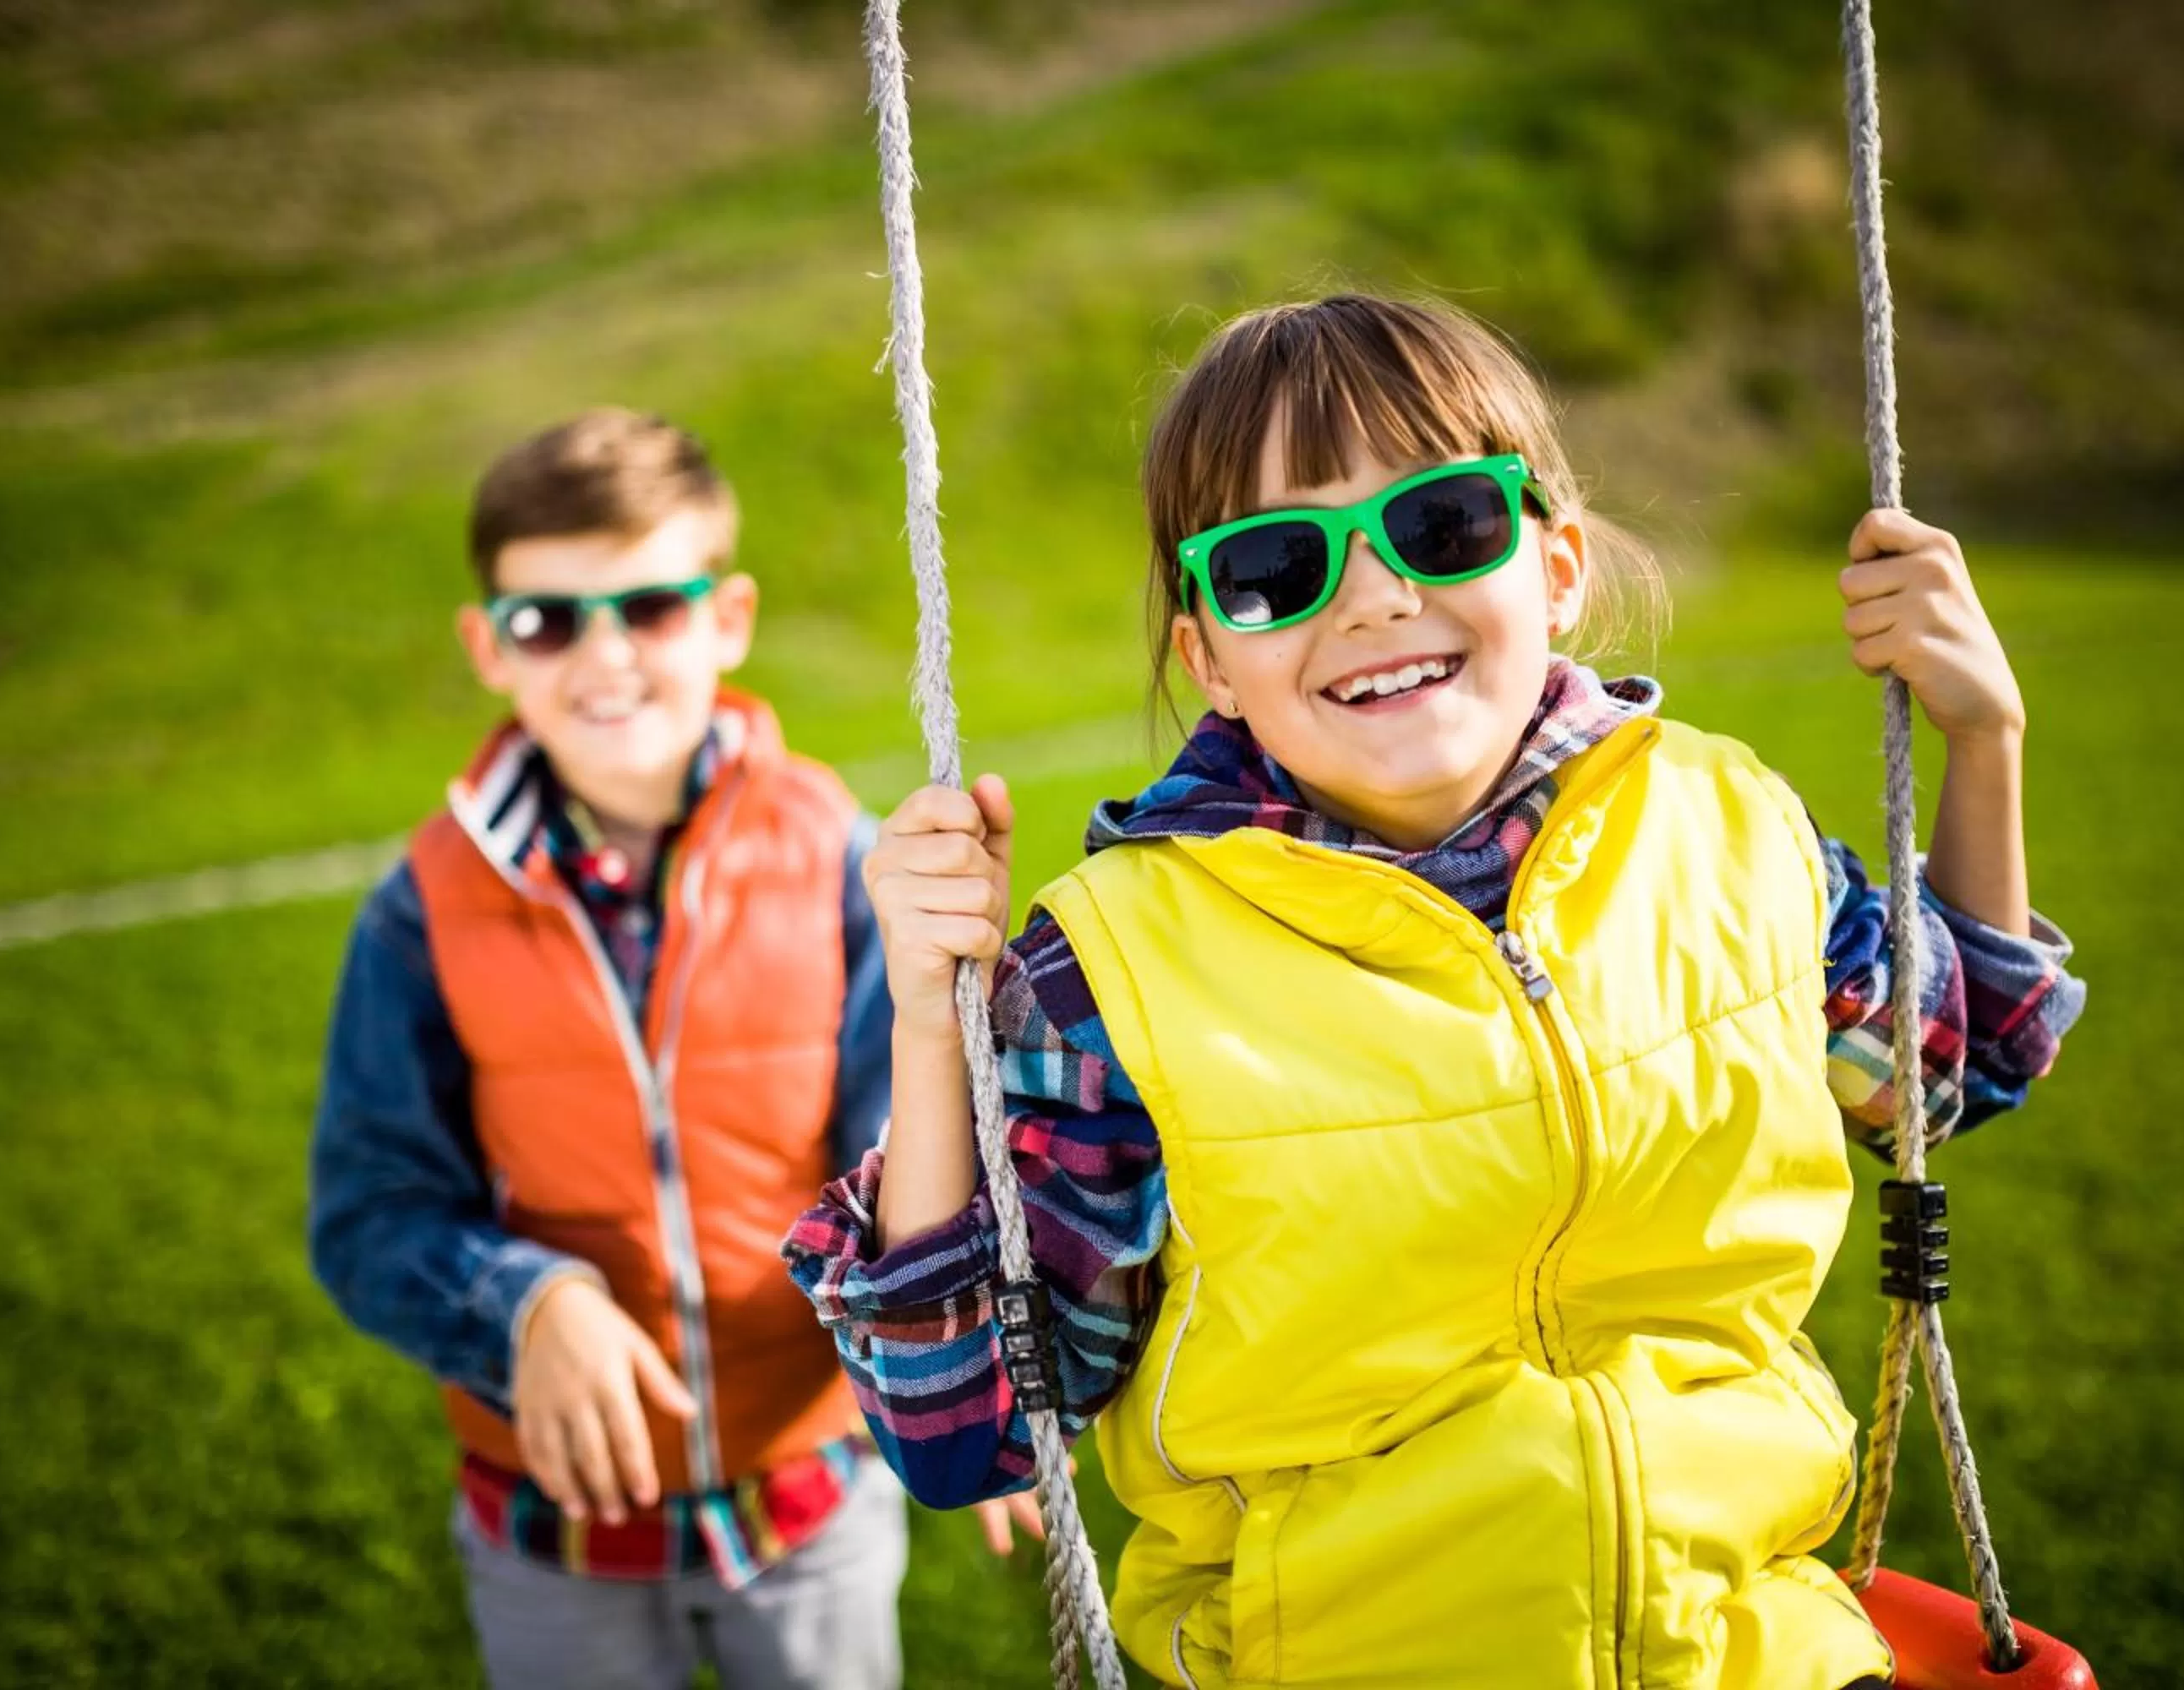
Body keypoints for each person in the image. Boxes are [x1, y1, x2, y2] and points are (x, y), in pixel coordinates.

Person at [785, 296, 2085, 1687]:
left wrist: (1983, 741)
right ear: (1207, 659)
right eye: (1278, 566)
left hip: (1755, 1650)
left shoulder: (1729, 828)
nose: (1373, 596)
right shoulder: (1110, 968)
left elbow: (1940, 1081)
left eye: (1443, 524)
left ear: (1560, 563)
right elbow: (964, 1426)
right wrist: (933, 1023)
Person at [309, 407, 1032, 1690]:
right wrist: (522, 1302)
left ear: (728, 619)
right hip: (552, 1522)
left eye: (648, 608)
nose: (604, 657)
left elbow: (908, 1154)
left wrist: (960, 1364)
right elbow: (369, 1212)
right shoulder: (422, 907)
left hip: (809, 1493)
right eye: (548, 620)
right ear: (488, 645)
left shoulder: (835, 862)